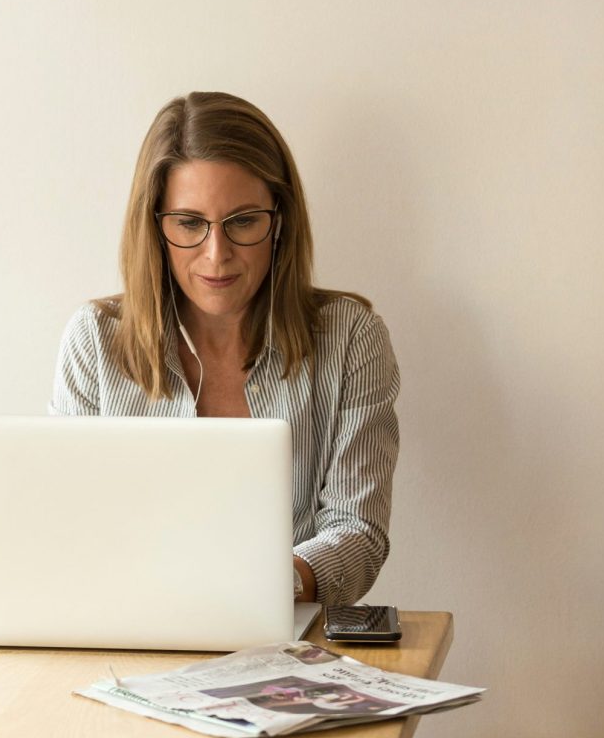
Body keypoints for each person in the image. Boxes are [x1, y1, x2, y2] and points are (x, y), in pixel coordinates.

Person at [49, 91, 400, 606]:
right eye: (190, 223)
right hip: (127, 634)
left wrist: (263, 587)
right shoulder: (94, 341)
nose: (217, 255)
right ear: (156, 226)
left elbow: (359, 533)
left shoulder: (350, 338)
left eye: (242, 221)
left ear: (278, 220)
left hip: (288, 644)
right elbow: (67, 530)